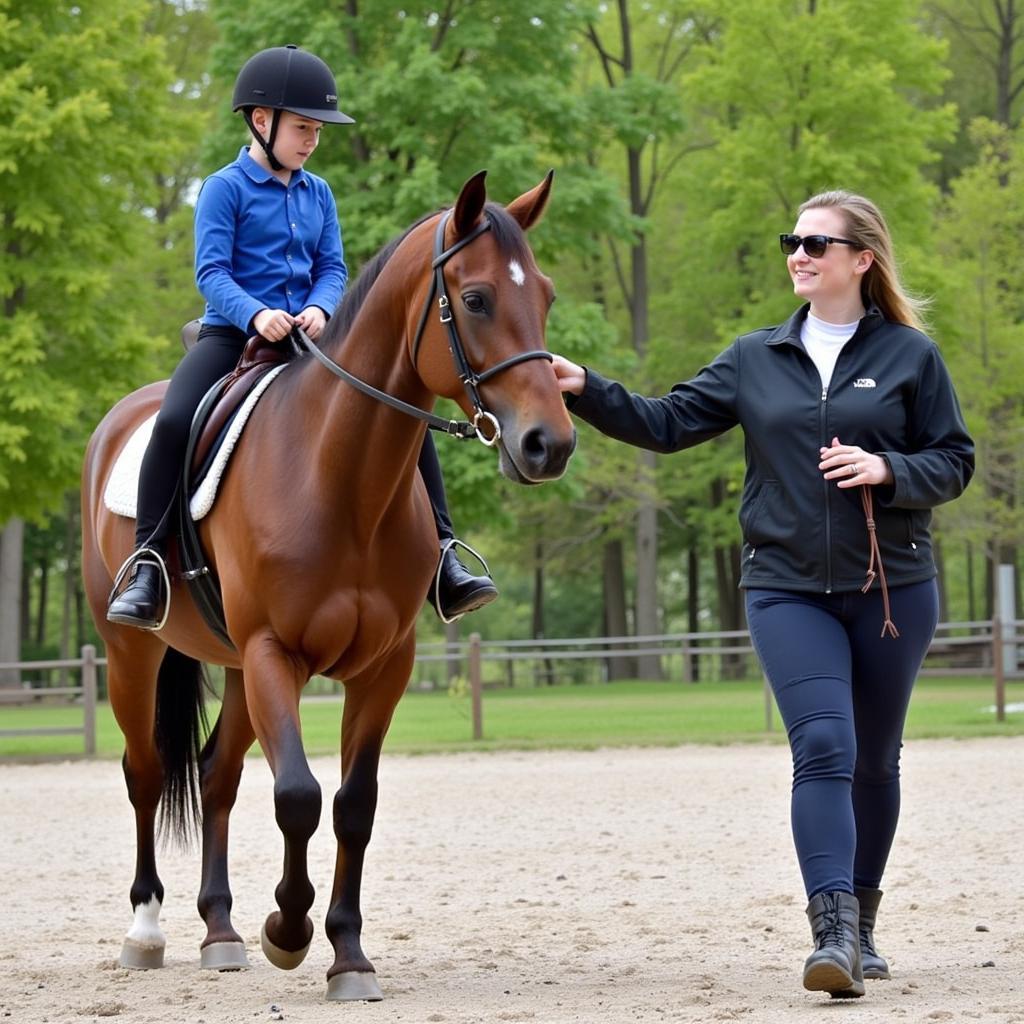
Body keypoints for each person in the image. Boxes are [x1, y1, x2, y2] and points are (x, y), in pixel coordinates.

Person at [551, 190, 974, 999]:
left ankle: (866, 920)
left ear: (862, 260)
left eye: (818, 243)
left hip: (893, 590)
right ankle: (835, 935)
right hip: (786, 591)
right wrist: (585, 387)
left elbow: (954, 460)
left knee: (875, 763)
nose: (800, 254)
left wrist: (890, 471)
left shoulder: (912, 358)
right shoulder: (755, 357)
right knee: (824, 747)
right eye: (794, 240)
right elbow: (666, 421)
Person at [107, 45, 496, 630]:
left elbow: (332, 268)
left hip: (312, 342)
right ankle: (148, 561)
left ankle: (443, 552)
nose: (312, 140)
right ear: (261, 122)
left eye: (317, 130)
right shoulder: (223, 188)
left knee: (404, 414)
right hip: (233, 338)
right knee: (173, 418)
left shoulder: (319, 193)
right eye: (303, 128)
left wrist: (321, 306)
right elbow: (211, 272)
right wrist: (256, 314)